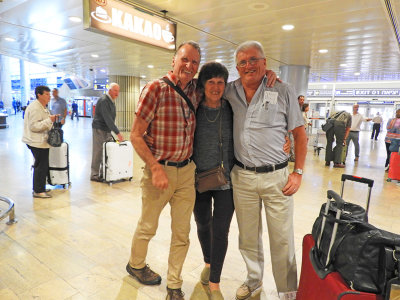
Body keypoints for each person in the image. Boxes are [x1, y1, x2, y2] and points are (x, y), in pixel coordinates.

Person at [224, 41, 307, 300]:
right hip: (243, 177)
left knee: (281, 239)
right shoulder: (229, 91)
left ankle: (287, 291)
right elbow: (204, 87)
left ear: (264, 62)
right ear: (236, 67)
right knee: (248, 236)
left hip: (277, 178)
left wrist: (299, 172)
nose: (248, 65)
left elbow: (299, 135)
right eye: (242, 62)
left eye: (253, 60)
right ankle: (253, 281)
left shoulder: (282, 90)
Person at [192, 62, 234, 300]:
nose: (216, 87)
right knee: (202, 224)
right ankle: (208, 262)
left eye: (220, 82)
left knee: (221, 230)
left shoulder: (231, 108)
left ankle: (215, 283)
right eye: (211, 82)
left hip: (226, 180)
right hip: (199, 180)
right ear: (203, 85)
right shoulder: (194, 108)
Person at [22, 86, 57, 198]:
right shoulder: (35, 108)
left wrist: (51, 120)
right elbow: (34, 126)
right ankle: (38, 190)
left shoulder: (42, 106)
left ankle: (39, 187)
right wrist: (49, 120)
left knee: (42, 165)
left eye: (49, 94)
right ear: (39, 95)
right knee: (41, 166)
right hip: (36, 142)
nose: (49, 96)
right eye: (46, 94)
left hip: (40, 141)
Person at [90, 83, 123, 182]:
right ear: (110, 91)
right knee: (98, 151)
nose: (117, 93)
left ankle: (102, 173)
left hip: (106, 129)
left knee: (105, 151)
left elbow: (110, 120)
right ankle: (94, 175)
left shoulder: (111, 101)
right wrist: (117, 133)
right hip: (99, 129)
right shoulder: (104, 100)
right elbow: (107, 118)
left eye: (118, 91)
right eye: (115, 90)